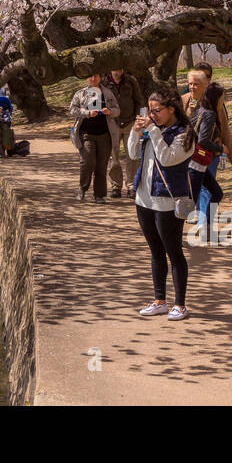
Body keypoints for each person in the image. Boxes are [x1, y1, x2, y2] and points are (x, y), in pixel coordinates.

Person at [128, 90, 195, 320]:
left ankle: (180, 304)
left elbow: (167, 159)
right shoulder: (152, 130)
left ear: (171, 109)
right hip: (144, 198)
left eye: (157, 111)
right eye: (150, 111)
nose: (152, 115)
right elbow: (131, 152)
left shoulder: (184, 134)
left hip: (167, 201)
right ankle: (159, 300)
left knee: (174, 252)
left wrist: (153, 130)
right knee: (155, 251)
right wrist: (135, 132)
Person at [69, 72, 119, 202]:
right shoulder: (80, 93)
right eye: (90, 76)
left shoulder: (107, 93)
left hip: (104, 135)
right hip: (86, 134)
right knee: (87, 161)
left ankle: (99, 195)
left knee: (101, 166)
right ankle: (82, 188)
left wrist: (110, 112)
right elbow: (72, 110)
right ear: (86, 78)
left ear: (100, 77)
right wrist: (87, 113)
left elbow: (117, 110)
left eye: (96, 76)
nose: (93, 79)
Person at [187, 82, 227, 242]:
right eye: (222, 97)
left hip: (197, 162)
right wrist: (219, 149)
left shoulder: (199, 110)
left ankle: (207, 230)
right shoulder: (209, 114)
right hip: (196, 163)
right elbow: (203, 139)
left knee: (216, 193)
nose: (223, 101)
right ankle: (171, 235)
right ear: (216, 98)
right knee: (189, 203)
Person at [103, 68, 146, 198]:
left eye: (121, 68)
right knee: (114, 156)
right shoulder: (104, 83)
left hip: (130, 123)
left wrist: (137, 119)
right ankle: (116, 186)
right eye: (116, 68)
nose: (119, 71)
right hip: (112, 123)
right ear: (110, 69)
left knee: (133, 155)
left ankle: (132, 185)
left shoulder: (131, 81)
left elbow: (139, 101)